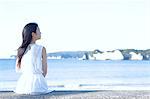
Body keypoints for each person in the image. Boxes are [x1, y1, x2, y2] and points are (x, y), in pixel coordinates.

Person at [14, 23, 51, 95]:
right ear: (33, 34)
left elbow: (18, 69)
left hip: (22, 85)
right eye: (38, 30)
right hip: (38, 83)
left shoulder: (20, 50)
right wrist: (40, 79)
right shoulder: (41, 49)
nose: (40, 32)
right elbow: (45, 71)